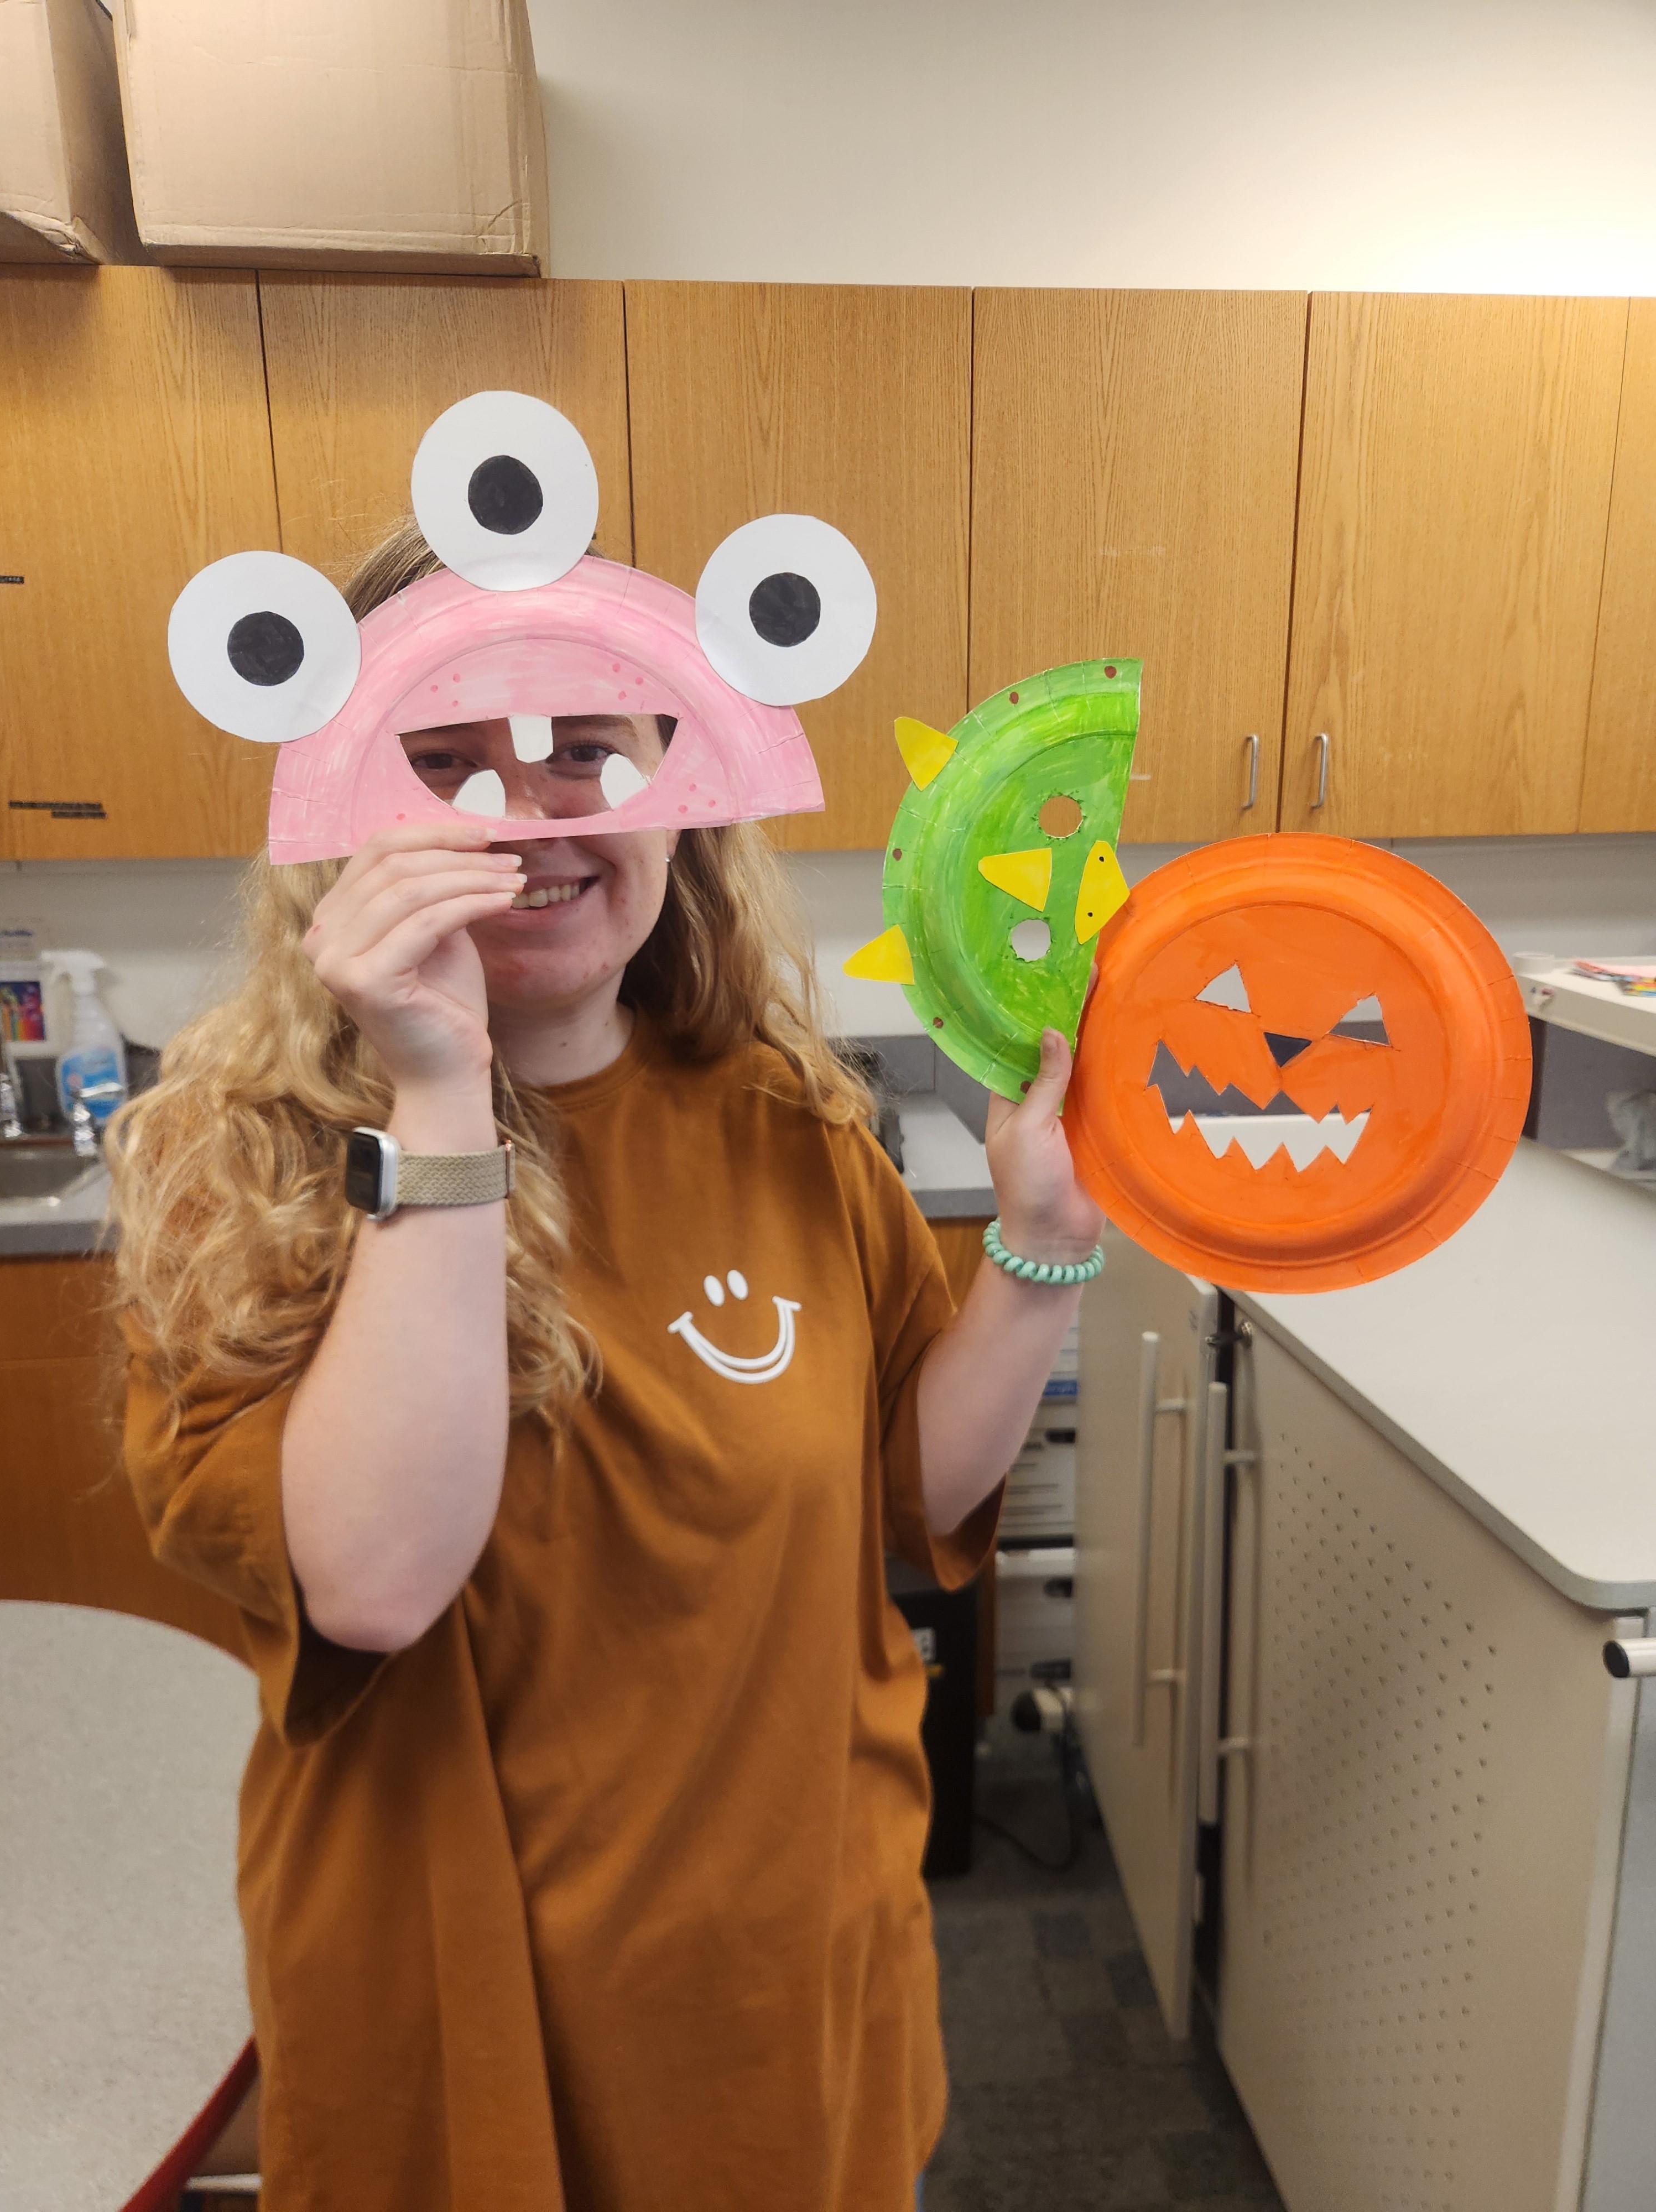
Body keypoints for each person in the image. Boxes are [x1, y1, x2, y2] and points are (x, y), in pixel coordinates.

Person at [108, 521, 1105, 2212]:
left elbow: (906, 1493)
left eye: (588, 747)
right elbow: (370, 1580)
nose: (528, 808)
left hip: (779, 1969)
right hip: (455, 1992)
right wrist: (435, 1089)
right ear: (336, 805)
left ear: (681, 785)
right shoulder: (240, 1162)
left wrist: (1043, 1249)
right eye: (443, 758)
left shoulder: (788, 1114)